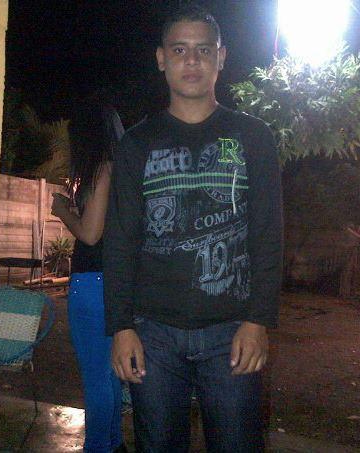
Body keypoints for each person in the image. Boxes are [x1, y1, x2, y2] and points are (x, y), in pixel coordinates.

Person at [103, 4, 283, 452]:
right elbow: (121, 240)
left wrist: (258, 321)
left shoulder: (252, 137)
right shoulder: (137, 143)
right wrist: (121, 327)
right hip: (153, 333)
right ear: (161, 58)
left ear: (221, 57)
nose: (192, 61)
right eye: (180, 49)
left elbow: (267, 233)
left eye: (204, 50)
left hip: (232, 330)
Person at [51, 102, 127, 453]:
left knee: (96, 376)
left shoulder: (101, 169)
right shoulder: (122, 169)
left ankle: (98, 446)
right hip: (114, 282)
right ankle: (113, 443)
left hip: (92, 284)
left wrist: (62, 211)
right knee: (110, 374)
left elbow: (91, 234)